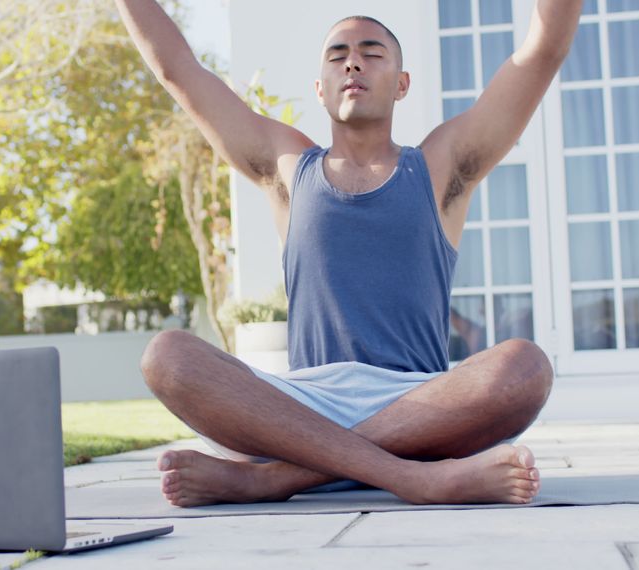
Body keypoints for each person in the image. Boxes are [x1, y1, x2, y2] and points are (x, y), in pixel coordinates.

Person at [114, 0, 583, 507]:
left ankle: (274, 479)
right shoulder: (287, 166)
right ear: (320, 88)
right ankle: (416, 478)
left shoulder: (441, 166)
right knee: (167, 357)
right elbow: (176, 67)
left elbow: (541, 53)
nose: (352, 63)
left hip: (421, 405)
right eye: (337, 55)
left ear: (402, 83)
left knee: (527, 367)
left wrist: (270, 472)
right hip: (301, 409)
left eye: (371, 52)